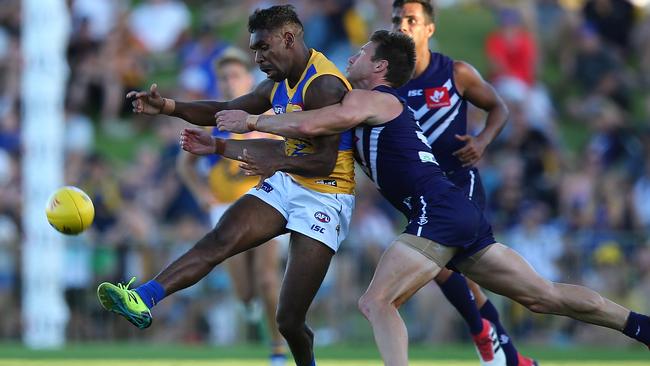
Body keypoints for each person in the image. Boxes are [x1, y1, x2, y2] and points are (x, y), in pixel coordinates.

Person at [209, 30, 650, 366]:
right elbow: (311, 137)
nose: (351, 56)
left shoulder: (374, 98)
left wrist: (251, 121)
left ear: (379, 68)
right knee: (542, 296)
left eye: (361, 52)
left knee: (375, 302)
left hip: (436, 210)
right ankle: (640, 326)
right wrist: (237, 146)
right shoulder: (375, 100)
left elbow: (311, 125)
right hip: (452, 208)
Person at [96, 5, 356, 366]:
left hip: (326, 194)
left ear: (289, 38)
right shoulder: (278, 83)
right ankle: (144, 298)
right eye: (254, 49)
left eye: (263, 48)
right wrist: (168, 105)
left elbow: (325, 161)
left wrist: (274, 160)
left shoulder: (323, 85)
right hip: (288, 181)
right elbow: (224, 109)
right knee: (220, 239)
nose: (258, 57)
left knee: (289, 320)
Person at [392, 1, 534, 365]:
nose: (402, 26)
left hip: (459, 183)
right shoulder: (388, 81)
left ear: (429, 28)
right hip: (421, 194)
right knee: (458, 271)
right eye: (397, 20)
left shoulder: (454, 72)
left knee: (440, 263)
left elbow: (498, 107)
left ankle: (480, 332)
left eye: (411, 20)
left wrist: (483, 141)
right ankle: (509, 354)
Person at [175, 49, 286, 365]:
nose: (228, 82)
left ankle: (277, 350)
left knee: (267, 278)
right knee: (245, 291)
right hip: (224, 207)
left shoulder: (267, 117)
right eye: (223, 77)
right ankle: (250, 305)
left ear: (249, 80)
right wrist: (200, 193)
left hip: (266, 201)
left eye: (235, 76)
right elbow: (183, 165)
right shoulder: (213, 120)